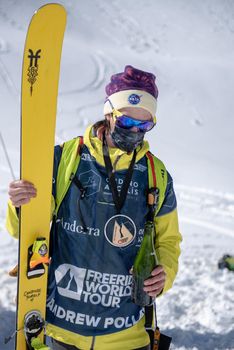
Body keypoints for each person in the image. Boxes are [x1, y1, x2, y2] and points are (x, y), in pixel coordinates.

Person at [6, 65, 182, 350]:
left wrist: (165, 273)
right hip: (63, 331)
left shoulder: (156, 174)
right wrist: (19, 204)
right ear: (109, 114)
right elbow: (22, 230)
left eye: (145, 126)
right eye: (126, 123)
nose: (135, 132)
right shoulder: (66, 158)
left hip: (126, 335)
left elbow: (169, 241)